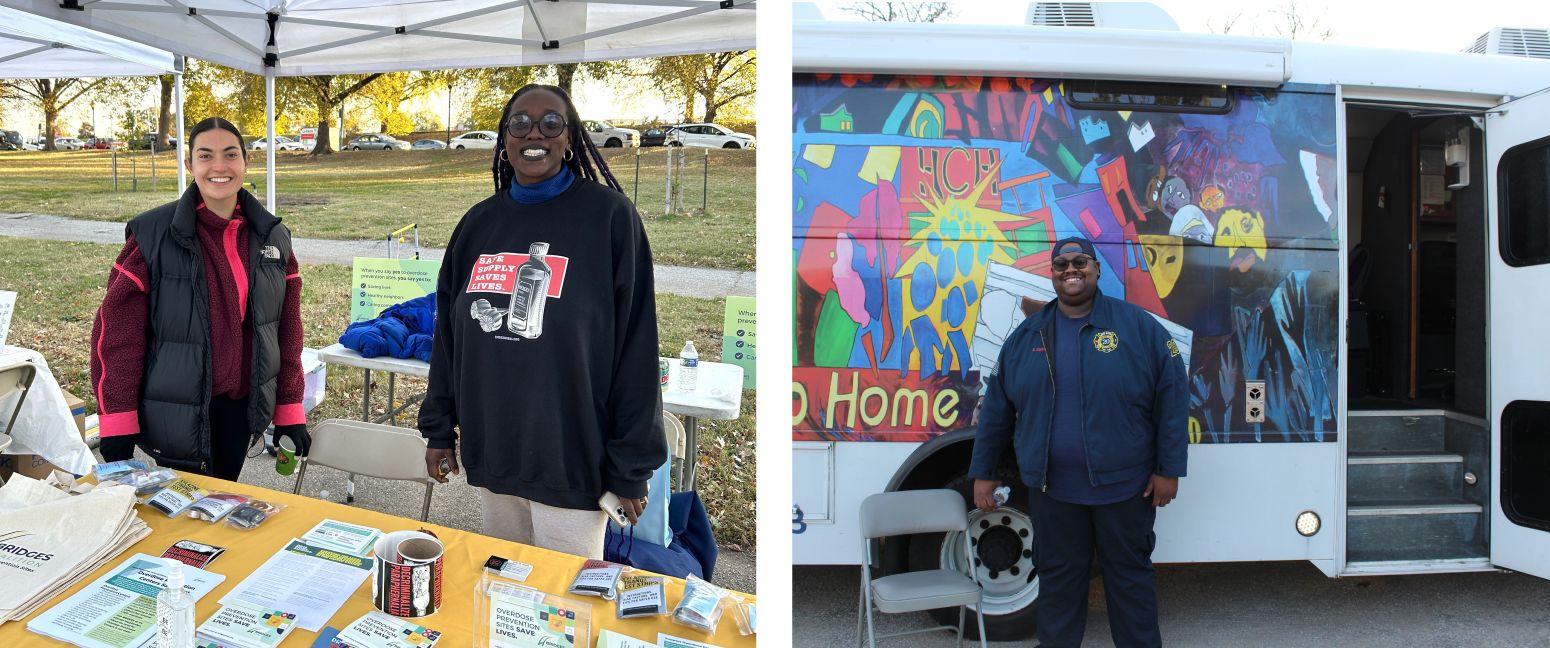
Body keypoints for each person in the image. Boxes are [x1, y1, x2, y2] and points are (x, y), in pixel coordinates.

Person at [418, 84, 666, 560]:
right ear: (504, 139)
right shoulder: (477, 225)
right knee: (506, 595)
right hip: (495, 451)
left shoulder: (610, 219)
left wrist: (630, 465)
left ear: (570, 137)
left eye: (551, 123)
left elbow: (637, 349)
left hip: (572, 458)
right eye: (521, 123)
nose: (536, 133)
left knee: (565, 609)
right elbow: (448, 338)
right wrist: (438, 427)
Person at [969, 236, 1188, 648]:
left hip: (1125, 489)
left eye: (1080, 262)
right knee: (1058, 586)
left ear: (1096, 269)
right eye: (1061, 264)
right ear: (1051, 274)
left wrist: (1169, 469)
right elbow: (996, 409)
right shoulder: (1025, 336)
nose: (1071, 270)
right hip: (1053, 491)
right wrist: (982, 472)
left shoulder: (1138, 328)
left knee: (1130, 583)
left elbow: (1173, 396)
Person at [92, 117, 310, 480]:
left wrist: (289, 409)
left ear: (246, 162)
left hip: (239, 411)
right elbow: (117, 335)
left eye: (230, 155)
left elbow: (286, 331)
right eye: (205, 156)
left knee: (221, 506)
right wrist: (117, 419)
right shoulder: (152, 236)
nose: (219, 167)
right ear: (189, 165)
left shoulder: (274, 238)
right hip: (173, 408)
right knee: (184, 519)